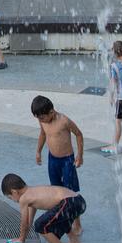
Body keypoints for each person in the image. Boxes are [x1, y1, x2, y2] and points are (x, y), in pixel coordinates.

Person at [1, 173, 85, 243]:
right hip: (78, 200)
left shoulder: (24, 199)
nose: (13, 201)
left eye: (10, 198)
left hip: (69, 203)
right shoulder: (32, 192)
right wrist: (22, 239)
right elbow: (29, 221)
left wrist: (21, 240)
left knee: (40, 225)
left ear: (14, 192)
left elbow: (24, 223)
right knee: (60, 219)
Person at [31, 95, 84, 233]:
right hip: (52, 159)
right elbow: (43, 134)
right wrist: (38, 151)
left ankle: (77, 224)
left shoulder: (64, 121)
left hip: (67, 160)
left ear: (51, 112)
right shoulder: (43, 121)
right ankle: (61, 219)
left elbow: (78, 134)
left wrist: (80, 155)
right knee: (56, 191)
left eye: (42, 117)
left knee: (70, 192)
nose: (40, 120)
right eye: (38, 118)